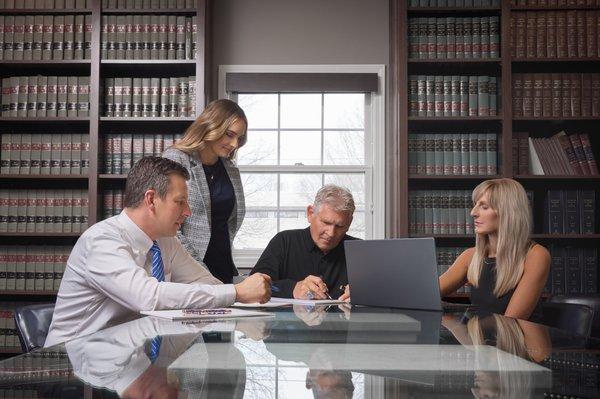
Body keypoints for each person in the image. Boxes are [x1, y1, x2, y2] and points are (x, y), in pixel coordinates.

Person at [44, 156, 270, 347]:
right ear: (151, 199)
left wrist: (230, 294)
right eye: (180, 202)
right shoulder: (101, 240)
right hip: (74, 362)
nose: (188, 212)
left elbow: (209, 286)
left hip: (128, 359)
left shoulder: (165, 242)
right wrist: (237, 292)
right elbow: (148, 297)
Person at [439, 178, 551, 320]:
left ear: (508, 212)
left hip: (517, 340)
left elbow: (510, 323)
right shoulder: (470, 256)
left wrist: (451, 316)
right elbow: (426, 294)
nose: (473, 212)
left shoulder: (536, 256)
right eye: (475, 205)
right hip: (480, 339)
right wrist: (447, 315)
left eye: (484, 207)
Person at [163, 99, 247, 284]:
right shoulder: (176, 159)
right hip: (186, 270)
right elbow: (168, 225)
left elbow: (228, 225)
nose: (234, 143)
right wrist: (199, 270)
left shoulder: (230, 169)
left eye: (239, 138)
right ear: (211, 126)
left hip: (223, 268)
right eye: (229, 134)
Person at [251, 184, 357, 301]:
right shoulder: (284, 241)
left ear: (349, 222)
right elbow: (253, 286)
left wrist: (364, 293)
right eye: (326, 223)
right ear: (310, 213)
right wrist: (293, 289)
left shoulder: (360, 251)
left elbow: (378, 290)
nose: (331, 233)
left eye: (340, 226)